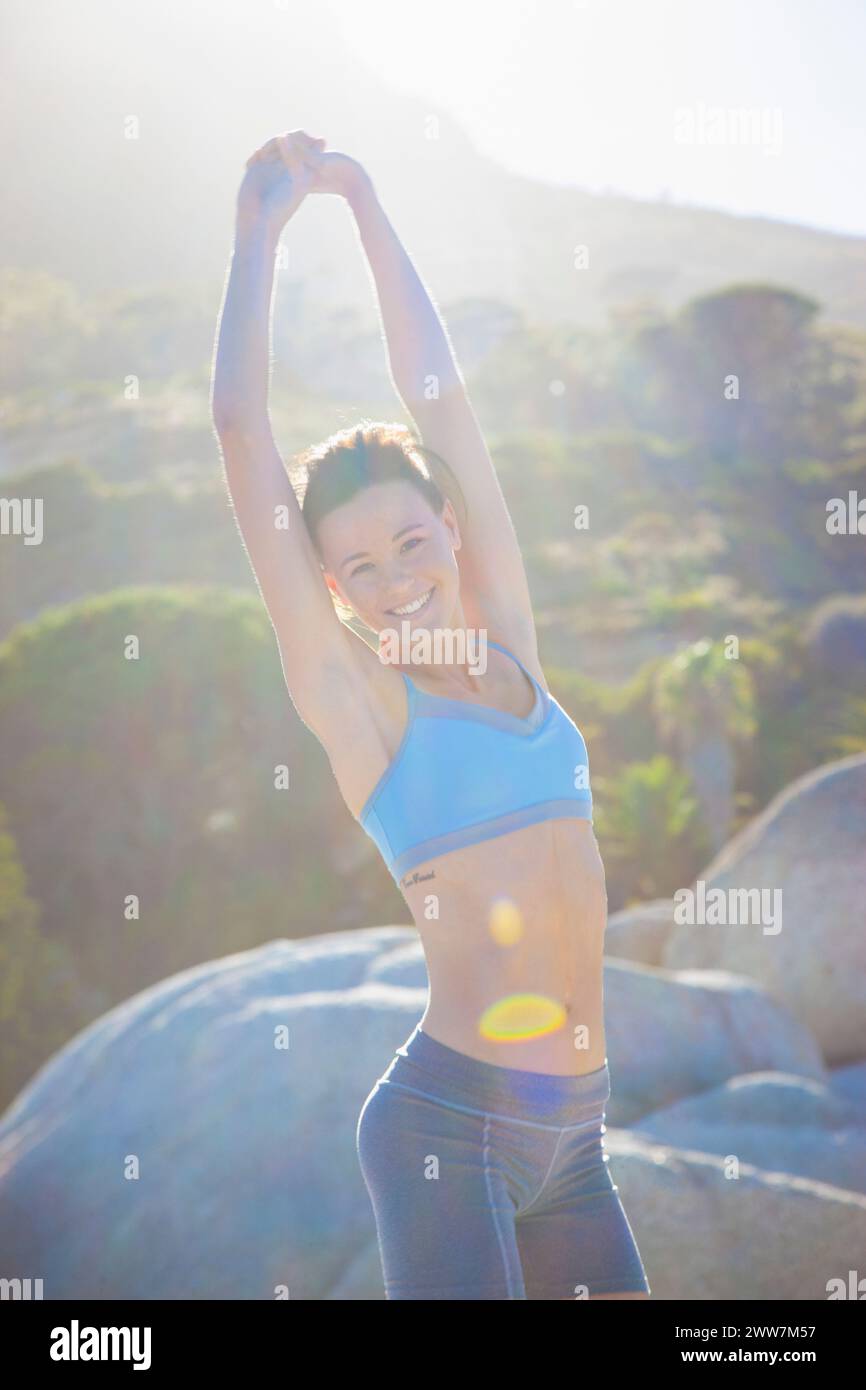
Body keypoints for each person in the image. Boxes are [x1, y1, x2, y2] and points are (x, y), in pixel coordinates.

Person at [211, 129, 651, 1301]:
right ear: (333, 592)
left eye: (413, 539)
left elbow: (438, 394)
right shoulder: (357, 702)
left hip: (577, 1140)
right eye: (357, 566)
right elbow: (240, 434)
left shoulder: (508, 637)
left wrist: (361, 201)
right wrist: (257, 235)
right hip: (445, 1130)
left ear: (453, 530)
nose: (398, 576)